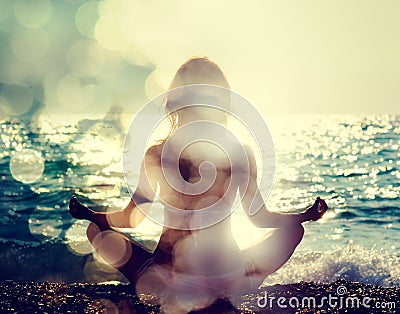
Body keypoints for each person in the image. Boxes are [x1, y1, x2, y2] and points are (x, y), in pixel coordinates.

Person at [69, 56, 328, 300]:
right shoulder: (240, 152)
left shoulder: (157, 154)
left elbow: (131, 219)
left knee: (97, 232)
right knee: (293, 230)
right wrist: (305, 215)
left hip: (167, 278)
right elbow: (259, 218)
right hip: (226, 277)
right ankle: (243, 279)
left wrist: (90, 215)